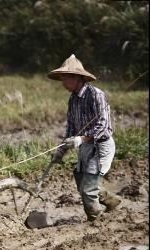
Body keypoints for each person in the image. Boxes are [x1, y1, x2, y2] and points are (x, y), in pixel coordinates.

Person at [48, 54, 121, 222]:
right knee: (83, 183)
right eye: (62, 79)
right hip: (86, 148)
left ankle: (96, 222)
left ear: (77, 78)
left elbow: (103, 126)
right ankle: (112, 201)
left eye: (65, 78)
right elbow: (71, 128)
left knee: (88, 189)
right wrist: (62, 150)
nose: (63, 83)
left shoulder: (96, 95)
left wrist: (81, 139)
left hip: (100, 146)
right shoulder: (73, 100)